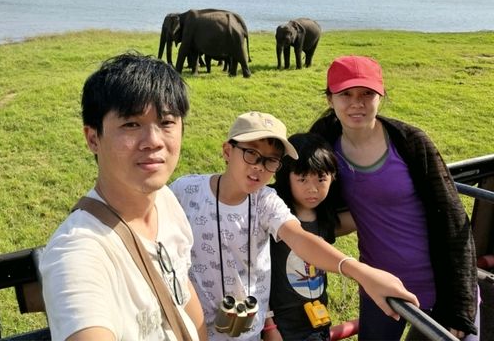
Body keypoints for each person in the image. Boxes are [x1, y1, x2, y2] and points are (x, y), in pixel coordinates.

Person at [170, 111, 418, 341]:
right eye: (251, 154)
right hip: (188, 325)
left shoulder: (266, 201)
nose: (259, 167)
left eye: (271, 161)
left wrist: (361, 272)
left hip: (246, 331)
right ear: (227, 151)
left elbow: (299, 238)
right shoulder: (185, 190)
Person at [39, 53, 207, 341]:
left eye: (166, 122)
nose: (153, 141)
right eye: (131, 124)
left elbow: (182, 290)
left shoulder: (165, 200)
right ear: (93, 138)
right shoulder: (79, 252)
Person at [310, 55, 479, 340]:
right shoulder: (325, 148)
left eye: (367, 94)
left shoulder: (410, 143)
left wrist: (460, 307)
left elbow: (454, 221)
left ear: (381, 96)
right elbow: (312, 205)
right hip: (379, 287)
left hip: (439, 286)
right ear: (330, 100)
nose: (356, 103)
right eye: (345, 94)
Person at [269, 133, 341, 341]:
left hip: (317, 321)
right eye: (302, 179)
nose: (312, 189)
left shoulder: (325, 217)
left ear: (332, 177)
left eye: (321, 179)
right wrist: (269, 326)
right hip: (281, 326)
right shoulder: (274, 218)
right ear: (285, 177)